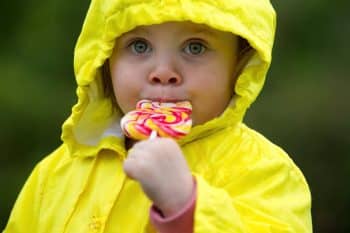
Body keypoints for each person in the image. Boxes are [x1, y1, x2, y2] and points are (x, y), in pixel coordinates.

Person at [4, 0, 312, 232]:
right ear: (105, 61)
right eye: (139, 46)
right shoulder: (54, 174)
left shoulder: (267, 173)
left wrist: (186, 206)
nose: (163, 72)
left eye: (195, 47)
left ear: (240, 66)